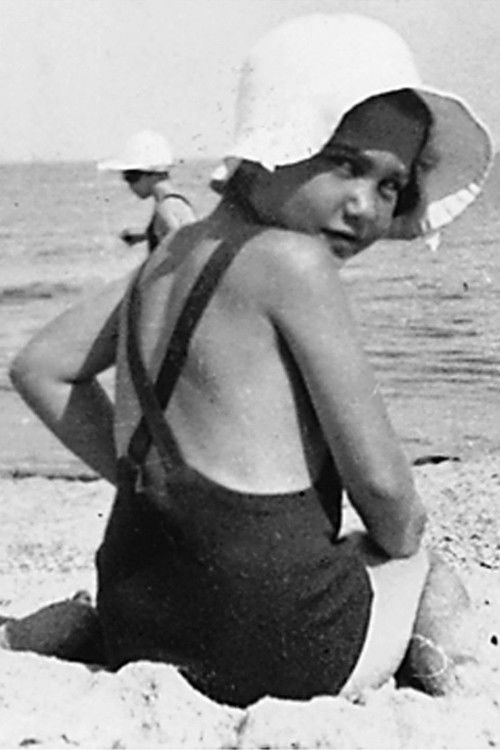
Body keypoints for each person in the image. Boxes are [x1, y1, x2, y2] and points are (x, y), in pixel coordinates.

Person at [5, 14, 492, 706]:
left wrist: (156, 488)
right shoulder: (296, 264)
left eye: (391, 186)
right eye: (345, 164)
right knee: (420, 564)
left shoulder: (166, 259)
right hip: (273, 647)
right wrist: (401, 540)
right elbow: (387, 496)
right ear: (274, 145)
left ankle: (80, 630)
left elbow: (39, 367)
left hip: (138, 616)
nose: (365, 206)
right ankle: (464, 693)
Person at [98, 130, 195, 253]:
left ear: (151, 175)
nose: (129, 186)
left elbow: (181, 250)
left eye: (131, 177)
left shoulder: (166, 208)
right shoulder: (174, 202)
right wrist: (146, 236)